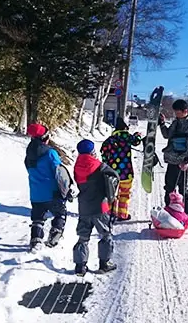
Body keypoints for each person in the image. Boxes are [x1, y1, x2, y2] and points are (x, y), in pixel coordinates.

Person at [73, 139, 120, 276]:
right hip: (100, 206)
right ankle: (104, 264)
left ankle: (80, 266)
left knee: (83, 237)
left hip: (84, 206)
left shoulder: (77, 167)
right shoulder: (100, 166)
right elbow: (115, 176)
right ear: (92, 151)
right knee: (106, 234)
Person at [24, 123, 66, 250]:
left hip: (36, 193)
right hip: (52, 193)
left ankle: (35, 240)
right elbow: (59, 172)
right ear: (44, 138)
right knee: (60, 214)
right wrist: (66, 189)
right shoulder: (50, 153)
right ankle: (54, 236)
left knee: (38, 218)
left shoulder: (29, 155)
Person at [158, 99, 188, 218]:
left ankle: (187, 214)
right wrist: (162, 124)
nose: (176, 114)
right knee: (169, 187)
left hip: (184, 162)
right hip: (172, 160)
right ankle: (169, 212)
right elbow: (167, 135)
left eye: (178, 112)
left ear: (185, 111)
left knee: (184, 188)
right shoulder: (176, 123)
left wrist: (186, 159)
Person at [100, 117, 142, 221]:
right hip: (126, 173)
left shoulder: (110, 140)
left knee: (111, 194)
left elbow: (104, 154)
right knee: (124, 194)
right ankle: (122, 215)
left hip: (112, 173)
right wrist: (138, 136)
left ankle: (110, 214)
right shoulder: (128, 137)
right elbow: (136, 142)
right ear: (125, 128)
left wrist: (106, 165)